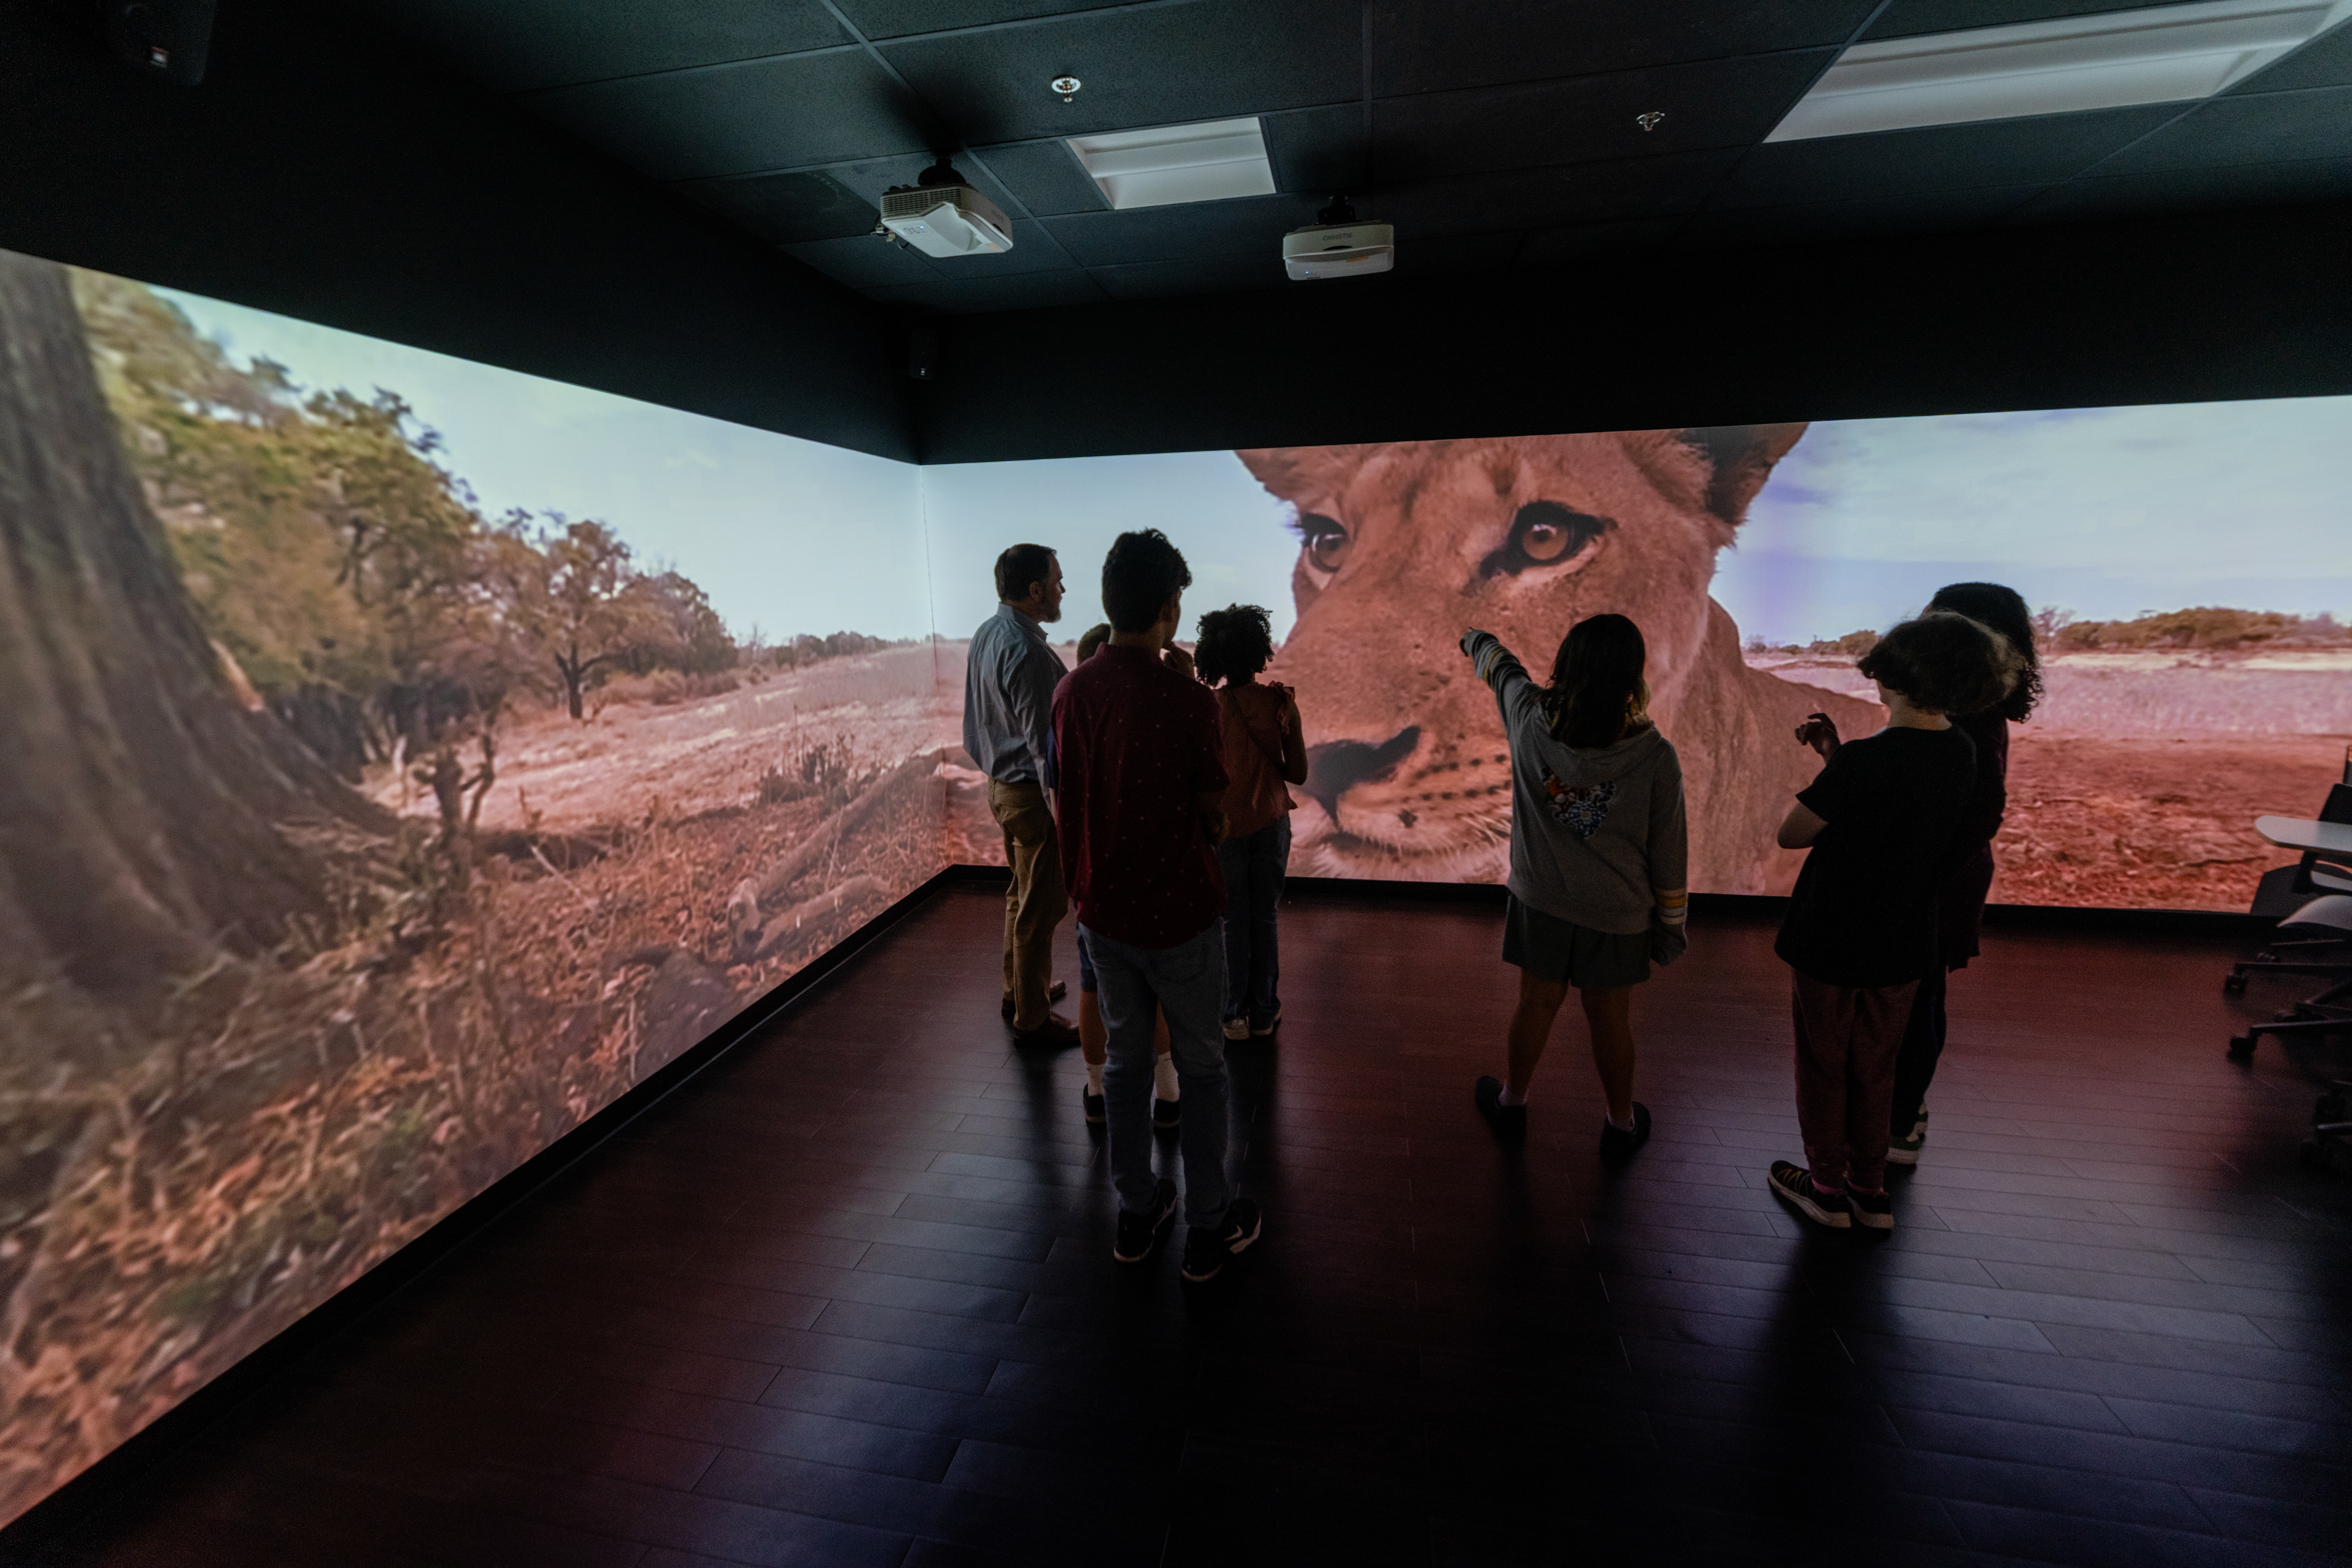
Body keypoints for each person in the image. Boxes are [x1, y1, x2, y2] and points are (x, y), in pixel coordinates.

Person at [1053, 530, 1262, 1282]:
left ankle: (1136, 1211)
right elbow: (1214, 815)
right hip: (1180, 917)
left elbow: (1066, 795)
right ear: (1172, 610)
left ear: (1110, 605)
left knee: (1125, 1064)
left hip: (1103, 917)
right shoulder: (1188, 701)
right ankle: (1209, 1224)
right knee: (1203, 1068)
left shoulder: (1070, 691)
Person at [1768, 612, 2020, 1232]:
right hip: (1905, 938)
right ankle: (1869, 1189)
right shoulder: (1959, 752)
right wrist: (1838, 757)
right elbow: (1896, 808)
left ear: (1892, 680)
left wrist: (1837, 765)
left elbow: (1792, 833)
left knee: (1823, 1063)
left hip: (1831, 937)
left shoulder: (1867, 760)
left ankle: (1825, 1188)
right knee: (1876, 1065)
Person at [1461, 614, 1690, 1160]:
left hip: (1541, 902)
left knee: (1536, 1003)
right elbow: (1669, 854)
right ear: (1633, 682)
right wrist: (1671, 929)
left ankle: (1513, 1103)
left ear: (1563, 667)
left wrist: (1475, 638)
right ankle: (1620, 1122)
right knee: (1610, 1018)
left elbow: (1502, 670)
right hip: (1618, 915)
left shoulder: (1527, 717)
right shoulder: (1656, 756)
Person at [1061, 622, 1180, 1129]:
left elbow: (1060, 803)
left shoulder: (1066, 715)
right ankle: (1169, 1092)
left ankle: (1095, 1090)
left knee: (1092, 985)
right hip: (1156, 882)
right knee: (1156, 988)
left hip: (1094, 881)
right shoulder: (1161, 711)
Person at [963, 543, 1076, 1047]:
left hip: (1001, 789)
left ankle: (1019, 990)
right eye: (1057, 579)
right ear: (1035, 590)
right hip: (1032, 797)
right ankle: (1032, 1018)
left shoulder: (989, 633)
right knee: (1041, 905)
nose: (1062, 589)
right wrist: (1064, 813)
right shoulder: (1027, 650)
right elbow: (1042, 745)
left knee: (1018, 895)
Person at [1194, 604, 1308, 1042]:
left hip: (1225, 828)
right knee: (1265, 917)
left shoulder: (1208, 708)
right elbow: (1297, 774)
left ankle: (1233, 1013)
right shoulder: (1280, 702)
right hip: (1271, 823)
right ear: (1259, 650)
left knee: (1231, 921)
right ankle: (1264, 1012)